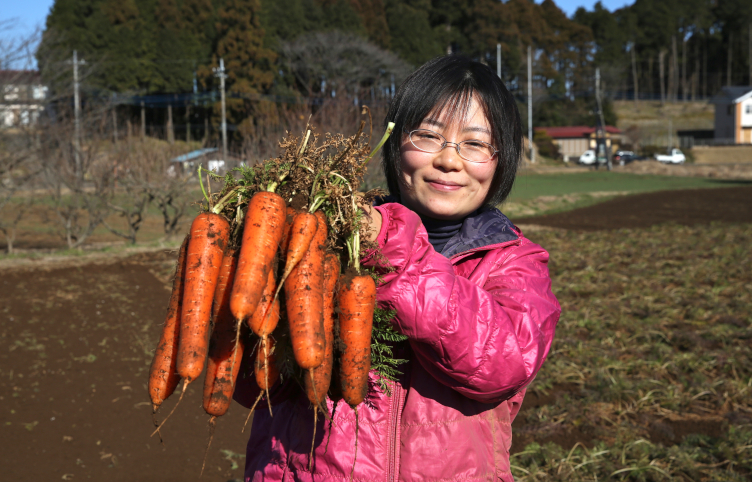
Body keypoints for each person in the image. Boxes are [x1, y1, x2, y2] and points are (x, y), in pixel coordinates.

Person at [233, 55, 561, 481]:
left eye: (476, 144)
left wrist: (389, 247)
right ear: (396, 142)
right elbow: (252, 388)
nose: (449, 160)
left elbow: (501, 364)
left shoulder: (514, 263)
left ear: (502, 159)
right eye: (428, 136)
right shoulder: (327, 243)